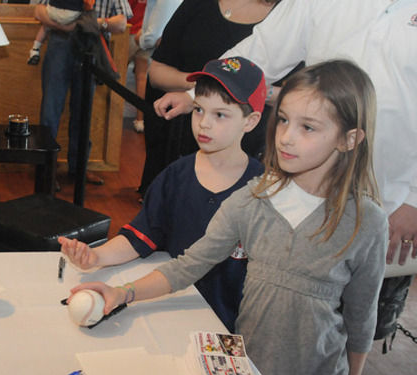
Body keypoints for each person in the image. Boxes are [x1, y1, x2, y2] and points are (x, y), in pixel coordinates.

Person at [73, 60, 387, 375]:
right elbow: (188, 264)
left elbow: (362, 316)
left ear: (348, 138)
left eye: (308, 127)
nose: (287, 138)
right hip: (248, 373)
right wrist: (122, 293)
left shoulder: (367, 221)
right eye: (285, 120)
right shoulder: (253, 199)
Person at [152, 0, 417, 268]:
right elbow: (261, 52)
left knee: (369, 295)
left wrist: (414, 201)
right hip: (308, 186)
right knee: (288, 282)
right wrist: (197, 94)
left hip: (394, 196)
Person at [60, 56, 265, 331]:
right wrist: (97, 257)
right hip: (169, 309)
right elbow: (141, 235)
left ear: (250, 121)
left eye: (220, 115)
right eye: (199, 110)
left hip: (233, 325)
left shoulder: (263, 189)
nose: (204, 123)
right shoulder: (176, 175)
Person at [139, 0, 279, 196]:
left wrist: (257, 92)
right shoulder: (198, 4)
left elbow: (301, 93)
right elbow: (157, 72)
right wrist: (204, 87)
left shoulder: (287, 12)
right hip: (183, 140)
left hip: (253, 146)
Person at [34, 0, 132, 186]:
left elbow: (121, 23)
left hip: (91, 44)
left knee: (83, 111)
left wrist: (91, 23)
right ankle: (47, 169)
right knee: (50, 110)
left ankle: (79, 168)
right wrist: (71, 26)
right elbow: (39, 11)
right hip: (60, 42)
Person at [127, 0, 181, 133]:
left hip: (136, 33)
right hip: (146, 34)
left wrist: (142, 39)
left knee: (117, 73)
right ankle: (140, 119)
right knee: (142, 77)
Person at [27, 0, 93, 65]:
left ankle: (35, 49)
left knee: (46, 26)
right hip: (72, 14)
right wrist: (70, 27)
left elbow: (38, 10)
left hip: (53, 10)